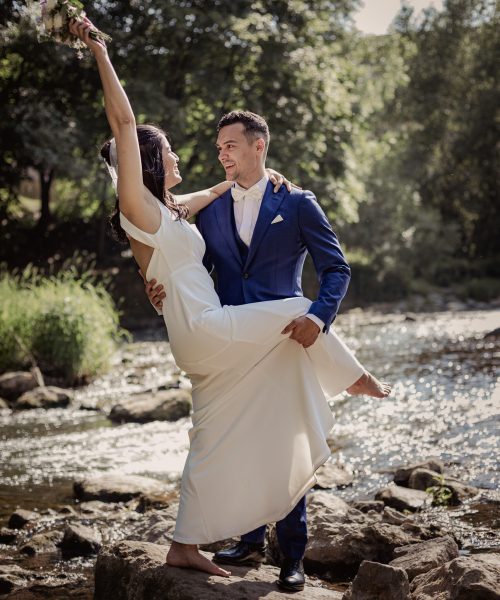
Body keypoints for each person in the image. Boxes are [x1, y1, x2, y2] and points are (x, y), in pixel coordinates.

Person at [69, 18, 390, 590]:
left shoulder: (176, 208)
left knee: (208, 441)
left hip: (206, 334)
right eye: (168, 150)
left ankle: (183, 544)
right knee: (297, 307)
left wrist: (262, 179)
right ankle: (351, 375)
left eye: (227, 148)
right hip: (209, 326)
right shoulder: (139, 204)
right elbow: (122, 120)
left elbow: (216, 194)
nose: (189, 157)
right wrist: (97, 46)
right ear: (143, 161)